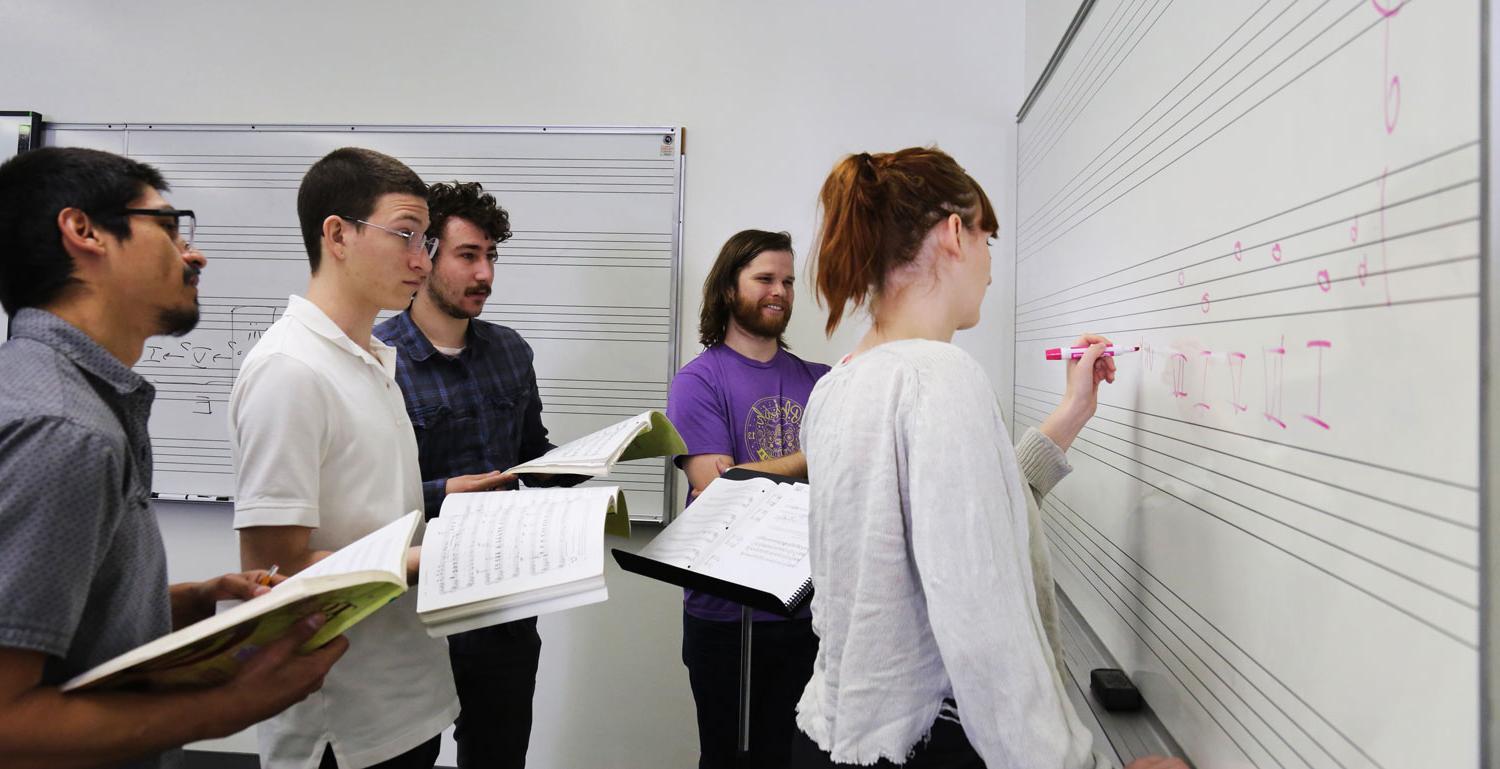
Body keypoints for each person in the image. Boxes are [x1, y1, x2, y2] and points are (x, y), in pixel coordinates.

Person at [792, 147, 1188, 769]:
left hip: (840, 738)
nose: (991, 267)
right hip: (930, 747)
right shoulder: (940, 379)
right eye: (988, 239)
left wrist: (1073, 411)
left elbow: (962, 520)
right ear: (955, 232)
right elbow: (986, 636)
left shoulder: (839, 383)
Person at [0, 146, 348, 769]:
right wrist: (235, 704)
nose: (194, 253)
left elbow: (53, 625)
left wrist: (195, 597)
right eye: (167, 225)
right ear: (83, 232)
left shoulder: (74, 398)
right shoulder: (62, 431)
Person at [229, 147, 459, 769]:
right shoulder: (290, 370)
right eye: (405, 235)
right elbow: (274, 574)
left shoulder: (369, 359)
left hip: (405, 692)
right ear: (337, 234)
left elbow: (372, 518)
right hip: (342, 720)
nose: (422, 260)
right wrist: (440, 557)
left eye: (427, 240)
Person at [374, 181, 581, 769]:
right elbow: (361, 498)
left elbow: (531, 455)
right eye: (469, 255)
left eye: (491, 256)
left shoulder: (511, 350)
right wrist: (444, 494)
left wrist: (586, 465)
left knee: (499, 754)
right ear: (426, 255)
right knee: (407, 757)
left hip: (502, 602)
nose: (485, 272)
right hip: (416, 608)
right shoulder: (377, 359)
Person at [666, 229, 829, 768]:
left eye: (786, 280)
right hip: (727, 619)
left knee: (798, 757)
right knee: (730, 759)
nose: (778, 290)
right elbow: (718, 490)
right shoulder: (697, 381)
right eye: (763, 279)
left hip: (808, 612)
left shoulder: (820, 380)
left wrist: (748, 468)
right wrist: (814, 454)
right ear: (728, 288)